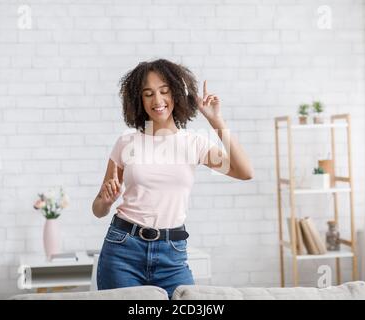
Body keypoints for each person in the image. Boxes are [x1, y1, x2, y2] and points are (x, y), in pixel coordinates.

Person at [92, 58, 253, 298]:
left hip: (172, 253)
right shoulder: (126, 142)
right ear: (139, 101)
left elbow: (245, 172)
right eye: (148, 94)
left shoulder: (194, 143)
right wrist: (106, 200)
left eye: (164, 91)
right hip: (123, 250)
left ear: (176, 94)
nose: (157, 101)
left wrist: (216, 121)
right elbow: (98, 208)